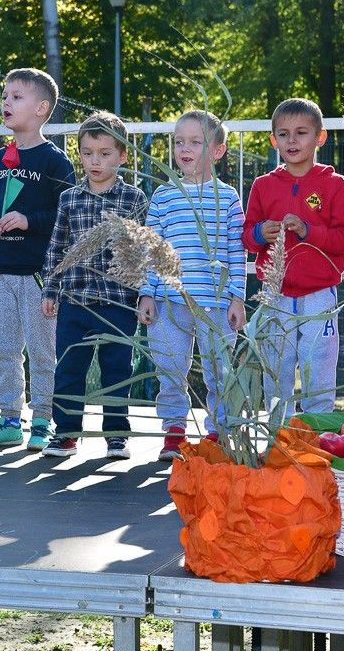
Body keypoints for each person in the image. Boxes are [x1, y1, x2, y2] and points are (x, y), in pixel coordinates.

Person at [0, 68, 75, 451]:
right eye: (5, 95)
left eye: (17, 96)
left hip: (39, 276)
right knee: (5, 349)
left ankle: (44, 419)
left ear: (41, 109)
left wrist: (30, 220)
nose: (7, 102)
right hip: (1, 272)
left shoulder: (54, 161)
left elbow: (66, 213)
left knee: (43, 350)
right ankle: (9, 418)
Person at [39, 112, 148, 459]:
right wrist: (50, 290)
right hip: (75, 300)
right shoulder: (69, 198)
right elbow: (57, 247)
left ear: (123, 156)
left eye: (104, 153)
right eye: (87, 153)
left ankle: (116, 434)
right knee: (70, 367)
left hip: (118, 302)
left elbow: (144, 251)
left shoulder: (134, 199)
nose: (95, 161)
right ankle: (66, 433)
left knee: (117, 368)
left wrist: (143, 293)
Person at [139, 110, 247, 461]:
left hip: (214, 305)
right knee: (170, 368)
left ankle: (219, 432)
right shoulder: (163, 197)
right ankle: (174, 432)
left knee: (220, 370)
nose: (184, 148)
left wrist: (237, 298)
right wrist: (147, 292)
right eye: (179, 141)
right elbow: (151, 249)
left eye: (195, 142)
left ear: (218, 150)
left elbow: (236, 251)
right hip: (169, 302)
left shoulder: (228, 198)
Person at [243, 98, 344, 426]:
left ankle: (318, 431)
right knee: (275, 366)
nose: (292, 141)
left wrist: (308, 230)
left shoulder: (335, 185)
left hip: (320, 293)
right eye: (284, 133)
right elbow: (247, 238)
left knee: (318, 364)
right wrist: (262, 232)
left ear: (320, 137)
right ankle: (278, 432)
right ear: (272, 140)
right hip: (274, 294)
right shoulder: (263, 186)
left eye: (301, 132)